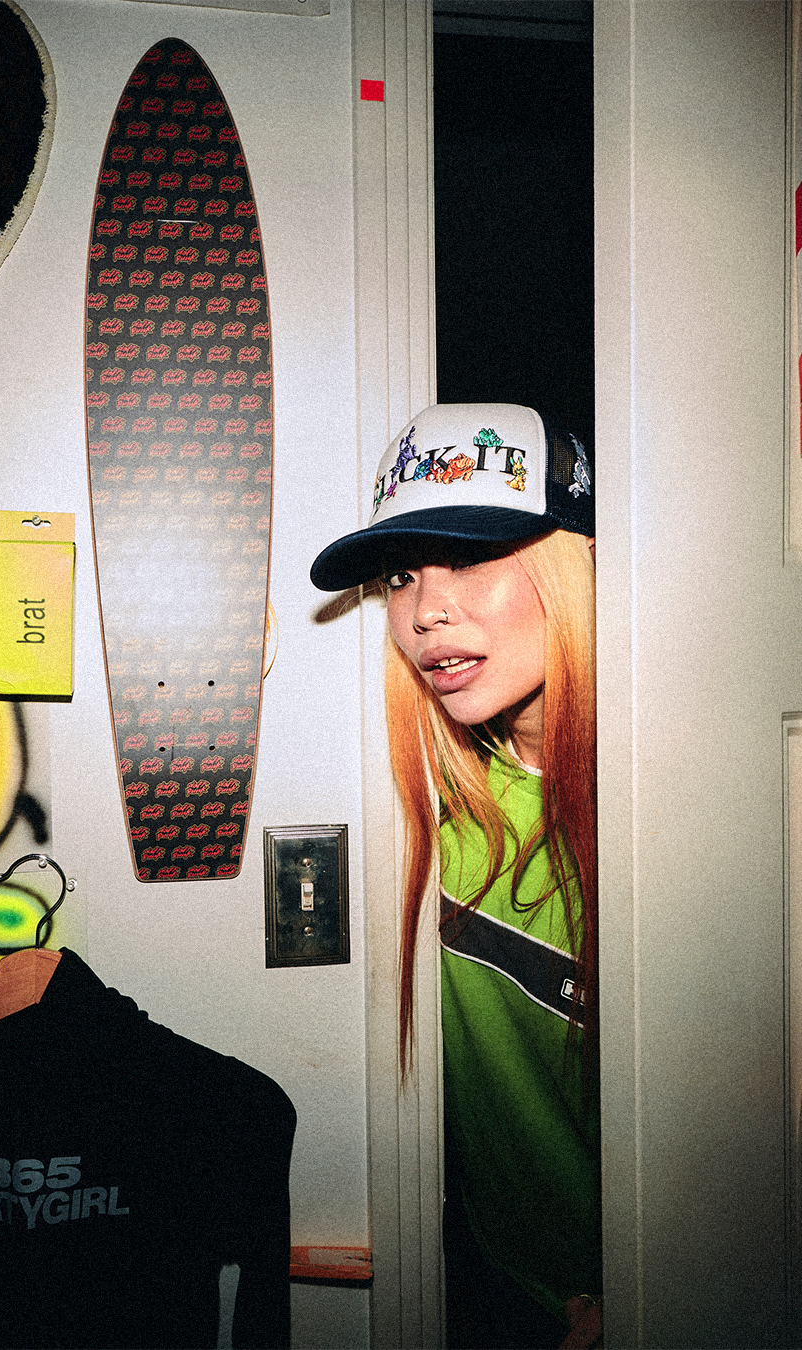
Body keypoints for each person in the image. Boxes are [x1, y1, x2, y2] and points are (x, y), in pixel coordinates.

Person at [311, 404, 601, 1350]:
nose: (424, 610)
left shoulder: (689, 820)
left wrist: (664, 1280)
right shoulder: (443, 812)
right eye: (402, 575)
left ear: (580, 563)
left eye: (470, 557)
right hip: (490, 1283)